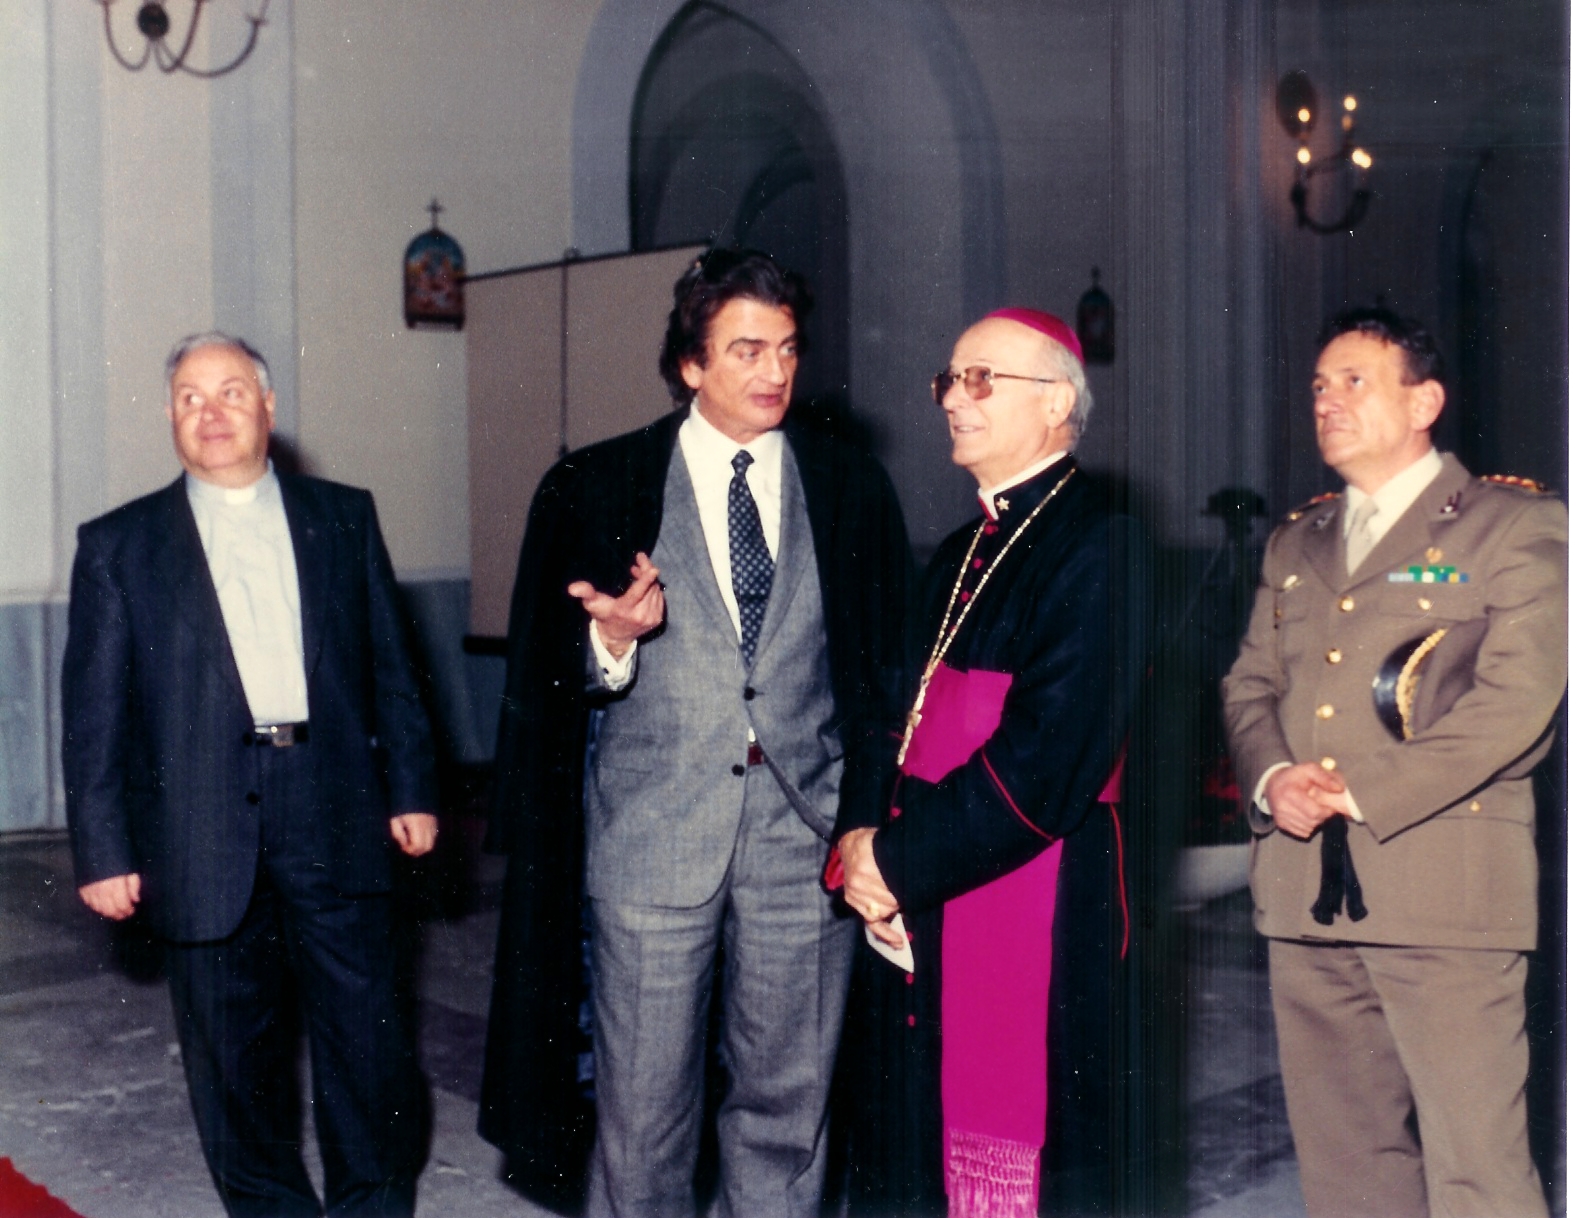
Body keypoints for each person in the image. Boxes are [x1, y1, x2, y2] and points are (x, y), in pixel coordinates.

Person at [478, 249, 912, 1217]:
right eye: (747, 350)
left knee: (788, 1111)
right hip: (651, 841)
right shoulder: (599, 484)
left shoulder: (849, 486)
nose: (775, 371)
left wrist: (865, 819)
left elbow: (884, 675)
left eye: (787, 349)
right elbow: (543, 681)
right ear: (689, 364)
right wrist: (610, 642)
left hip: (804, 842)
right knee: (642, 1117)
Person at [62, 332, 438, 1218]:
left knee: (368, 1040)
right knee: (232, 1059)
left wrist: (414, 788)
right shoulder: (119, 544)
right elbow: (94, 714)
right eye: (190, 398)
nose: (212, 412)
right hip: (196, 824)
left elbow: (393, 664)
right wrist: (103, 848)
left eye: (231, 392)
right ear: (169, 417)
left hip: (333, 801)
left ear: (268, 407)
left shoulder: (344, 517)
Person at [1221, 307, 1566, 1218]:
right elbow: (1250, 685)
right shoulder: (1297, 541)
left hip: (1446, 895)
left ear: (1425, 403)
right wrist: (1273, 779)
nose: (1326, 401)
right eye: (1319, 385)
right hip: (1305, 891)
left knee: (1478, 1171)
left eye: (1354, 381)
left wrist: (1359, 791)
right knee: (1347, 1169)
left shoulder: (1514, 526)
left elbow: (1516, 706)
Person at [833, 309, 1147, 1216]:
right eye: (949, 379)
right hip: (921, 883)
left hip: (1031, 885)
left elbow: (1046, 760)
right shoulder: (958, 550)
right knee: (908, 1136)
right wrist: (857, 839)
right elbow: (888, 713)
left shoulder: (1103, 543)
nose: (952, 399)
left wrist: (895, 861)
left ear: (1056, 403)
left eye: (981, 379)